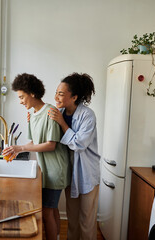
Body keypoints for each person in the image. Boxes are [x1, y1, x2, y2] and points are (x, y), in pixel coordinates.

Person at [2, 73, 70, 240]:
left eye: (22, 96)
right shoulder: (32, 115)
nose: (20, 101)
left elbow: (50, 144)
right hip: (46, 170)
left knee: (47, 211)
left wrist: (21, 147)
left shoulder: (50, 112)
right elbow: (33, 142)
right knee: (52, 209)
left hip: (56, 170)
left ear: (32, 93)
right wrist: (16, 149)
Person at [48, 72, 100, 240]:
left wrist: (62, 123)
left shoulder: (88, 115)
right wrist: (32, 119)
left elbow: (79, 144)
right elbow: (47, 132)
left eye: (61, 94)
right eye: (56, 92)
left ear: (74, 97)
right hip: (69, 173)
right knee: (72, 219)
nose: (56, 96)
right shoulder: (60, 111)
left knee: (86, 220)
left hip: (86, 173)